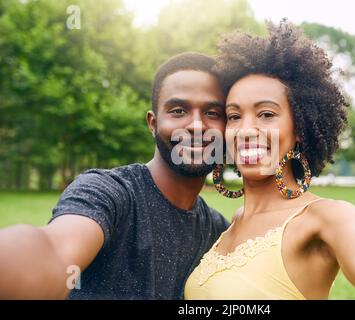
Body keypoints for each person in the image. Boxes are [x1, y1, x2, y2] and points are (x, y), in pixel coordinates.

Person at [184, 20, 355, 300]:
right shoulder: (230, 224)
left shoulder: (325, 217)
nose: (246, 130)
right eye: (235, 116)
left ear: (299, 129)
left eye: (266, 114)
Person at [0, 52, 229, 299]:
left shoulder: (217, 229)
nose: (196, 126)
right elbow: (54, 251)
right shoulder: (108, 193)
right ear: (152, 123)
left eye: (213, 113)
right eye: (178, 110)